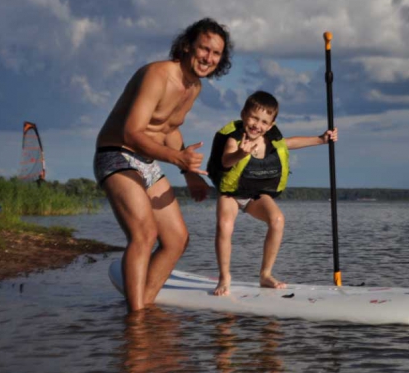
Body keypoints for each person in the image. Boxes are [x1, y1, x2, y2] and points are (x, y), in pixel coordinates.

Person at [94, 18, 233, 312]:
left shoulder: (193, 87)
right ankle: (137, 321)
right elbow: (131, 132)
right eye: (203, 49)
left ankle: (142, 305)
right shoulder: (158, 74)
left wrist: (189, 173)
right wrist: (176, 159)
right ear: (186, 46)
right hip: (116, 154)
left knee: (177, 239)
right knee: (144, 234)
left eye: (216, 53)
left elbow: (169, 127)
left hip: (146, 160)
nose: (208, 58)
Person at [208, 91, 338, 296]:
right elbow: (226, 160)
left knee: (277, 219)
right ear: (243, 114)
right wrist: (241, 153)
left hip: (255, 194)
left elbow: (291, 143)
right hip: (231, 194)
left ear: (270, 125)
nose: (256, 125)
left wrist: (321, 139)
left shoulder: (270, 140)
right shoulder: (235, 139)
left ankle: (265, 275)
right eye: (253, 117)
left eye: (263, 121)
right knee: (225, 225)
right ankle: (224, 277)